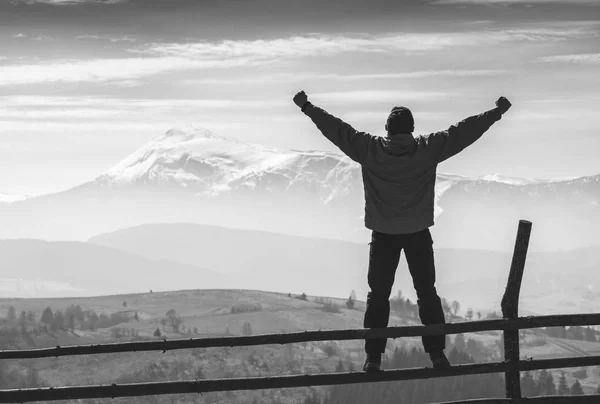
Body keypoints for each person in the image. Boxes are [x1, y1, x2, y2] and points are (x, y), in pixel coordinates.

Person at [293, 90, 512, 372]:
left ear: (387, 129)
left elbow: (337, 129)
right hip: (418, 233)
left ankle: (373, 358)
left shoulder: (369, 149)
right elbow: (463, 132)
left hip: (383, 235)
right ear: (411, 129)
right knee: (427, 293)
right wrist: (495, 113)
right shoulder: (427, 149)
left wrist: (308, 107)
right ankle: (436, 354)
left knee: (378, 295)